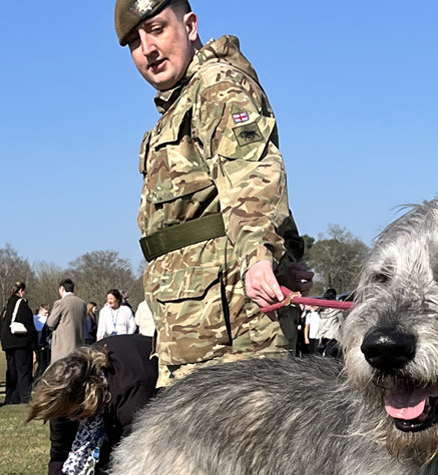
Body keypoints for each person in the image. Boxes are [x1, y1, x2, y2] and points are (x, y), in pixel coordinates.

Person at [114, 0, 313, 386]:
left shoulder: (217, 86)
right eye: (135, 43)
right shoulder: (181, 102)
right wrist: (287, 251)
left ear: (190, 25)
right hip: (195, 327)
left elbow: (252, 173)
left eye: (156, 29)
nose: (148, 49)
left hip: (233, 332)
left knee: (246, 445)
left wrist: (261, 255)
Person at [29, 334, 158, 475]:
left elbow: (140, 467)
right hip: (117, 413)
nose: (73, 420)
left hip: (163, 418)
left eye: (78, 413)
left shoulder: (130, 391)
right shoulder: (65, 397)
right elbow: (60, 455)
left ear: (91, 393)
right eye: (66, 416)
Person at [0, 281, 38, 405]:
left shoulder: (7, 305)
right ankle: (25, 397)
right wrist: (34, 343)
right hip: (20, 341)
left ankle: (11, 397)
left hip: (8, 342)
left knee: (11, 370)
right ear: (21, 291)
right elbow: (29, 325)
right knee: (23, 370)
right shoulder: (22, 304)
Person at [47, 279, 86, 363]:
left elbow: (50, 323)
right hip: (78, 344)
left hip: (63, 345)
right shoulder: (82, 303)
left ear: (62, 288)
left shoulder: (60, 303)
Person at [317, 289, 344, 357]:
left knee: (320, 354)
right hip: (333, 335)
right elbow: (342, 322)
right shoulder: (337, 310)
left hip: (322, 334)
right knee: (331, 356)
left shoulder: (322, 310)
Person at [34, 304, 52, 380]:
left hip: (46, 345)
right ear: (40, 311)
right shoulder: (36, 319)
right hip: (39, 345)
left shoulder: (47, 320)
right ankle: (36, 381)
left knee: (45, 364)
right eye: (45, 313)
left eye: (48, 313)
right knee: (42, 365)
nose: (47, 315)